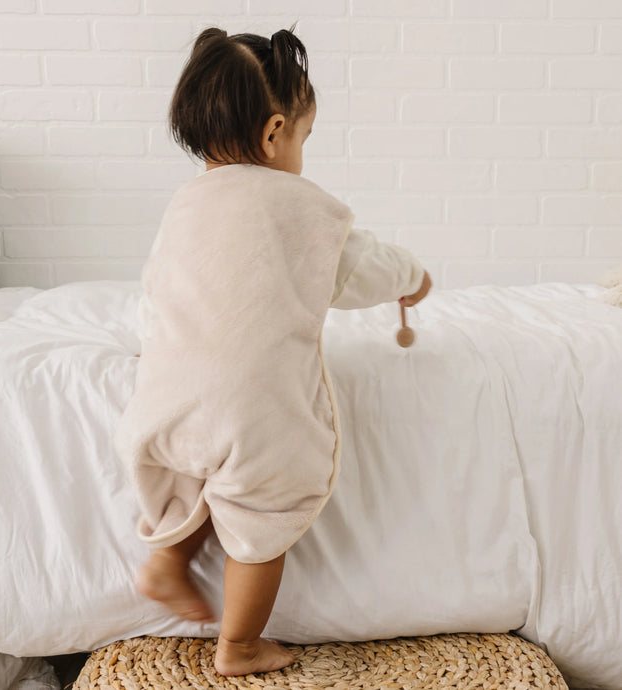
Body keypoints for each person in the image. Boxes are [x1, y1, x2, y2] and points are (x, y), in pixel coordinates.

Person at [115, 26, 432, 677]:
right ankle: (239, 646)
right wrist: (414, 279)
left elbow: (157, 291)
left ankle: (167, 562)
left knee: (208, 474)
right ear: (273, 133)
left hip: (165, 396)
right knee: (261, 514)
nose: (302, 154)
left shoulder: (184, 207)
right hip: (253, 414)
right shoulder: (301, 213)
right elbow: (359, 270)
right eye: (304, 139)